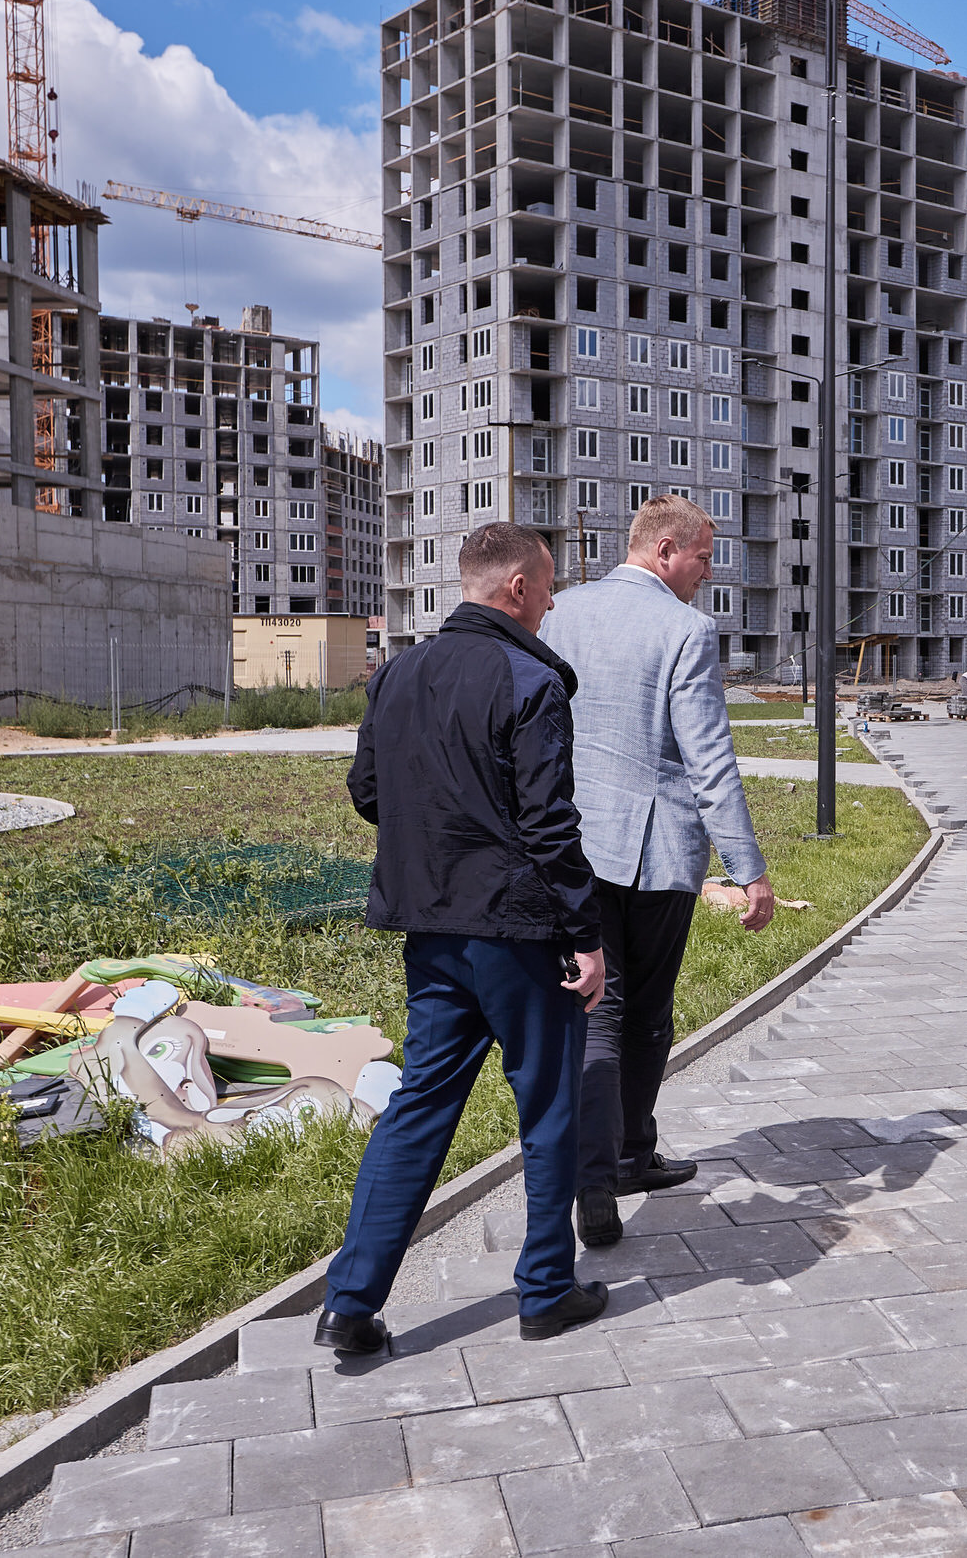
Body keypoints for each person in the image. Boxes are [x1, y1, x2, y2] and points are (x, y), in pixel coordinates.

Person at [319, 523, 610, 1353]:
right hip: (520, 932)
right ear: (516, 587)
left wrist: (441, 830)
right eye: (549, 586)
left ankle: (350, 1302)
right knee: (547, 1108)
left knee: (418, 1104)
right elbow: (551, 823)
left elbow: (368, 792)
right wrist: (587, 934)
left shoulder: (396, 674)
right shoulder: (529, 679)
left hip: (432, 929)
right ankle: (547, 1288)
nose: (553, 603)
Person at [541, 496, 775, 1249]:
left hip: (568, 845)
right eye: (705, 557)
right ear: (666, 549)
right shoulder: (686, 629)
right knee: (641, 1011)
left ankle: (608, 1165)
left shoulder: (561, 612)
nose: (709, 572)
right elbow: (709, 758)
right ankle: (619, 1165)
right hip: (653, 850)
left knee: (594, 1009)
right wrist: (749, 869)